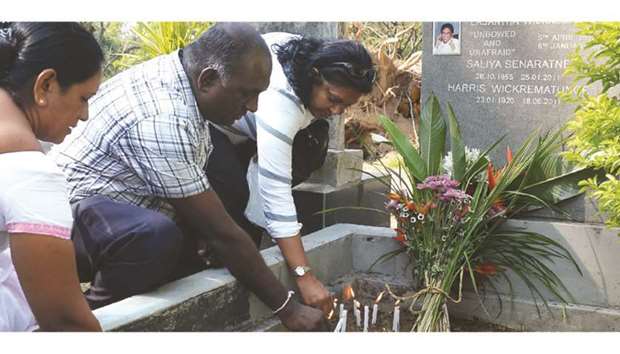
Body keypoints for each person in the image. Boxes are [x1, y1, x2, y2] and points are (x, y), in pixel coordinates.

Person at [51, 23, 325, 331]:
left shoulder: (183, 79)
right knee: (157, 237)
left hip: (113, 210)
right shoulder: (164, 117)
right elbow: (222, 233)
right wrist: (288, 309)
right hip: (63, 227)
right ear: (208, 79)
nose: (253, 107)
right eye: (246, 94)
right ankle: (88, 320)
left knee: (219, 208)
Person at [207, 32, 375, 315]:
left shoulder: (310, 58)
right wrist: (303, 275)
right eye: (333, 98)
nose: (336, 111)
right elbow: (276, 192)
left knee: (311, 144)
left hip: (251, 130)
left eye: (345, 105)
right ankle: (213, 257)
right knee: (233, 191)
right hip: (214, 125)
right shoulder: (279, 103)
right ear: (314, 75)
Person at [0, 22, 103, 331]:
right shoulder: (28, 172)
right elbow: (66, 322)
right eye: (84, 97)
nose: (84, 115)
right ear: (46, 85)